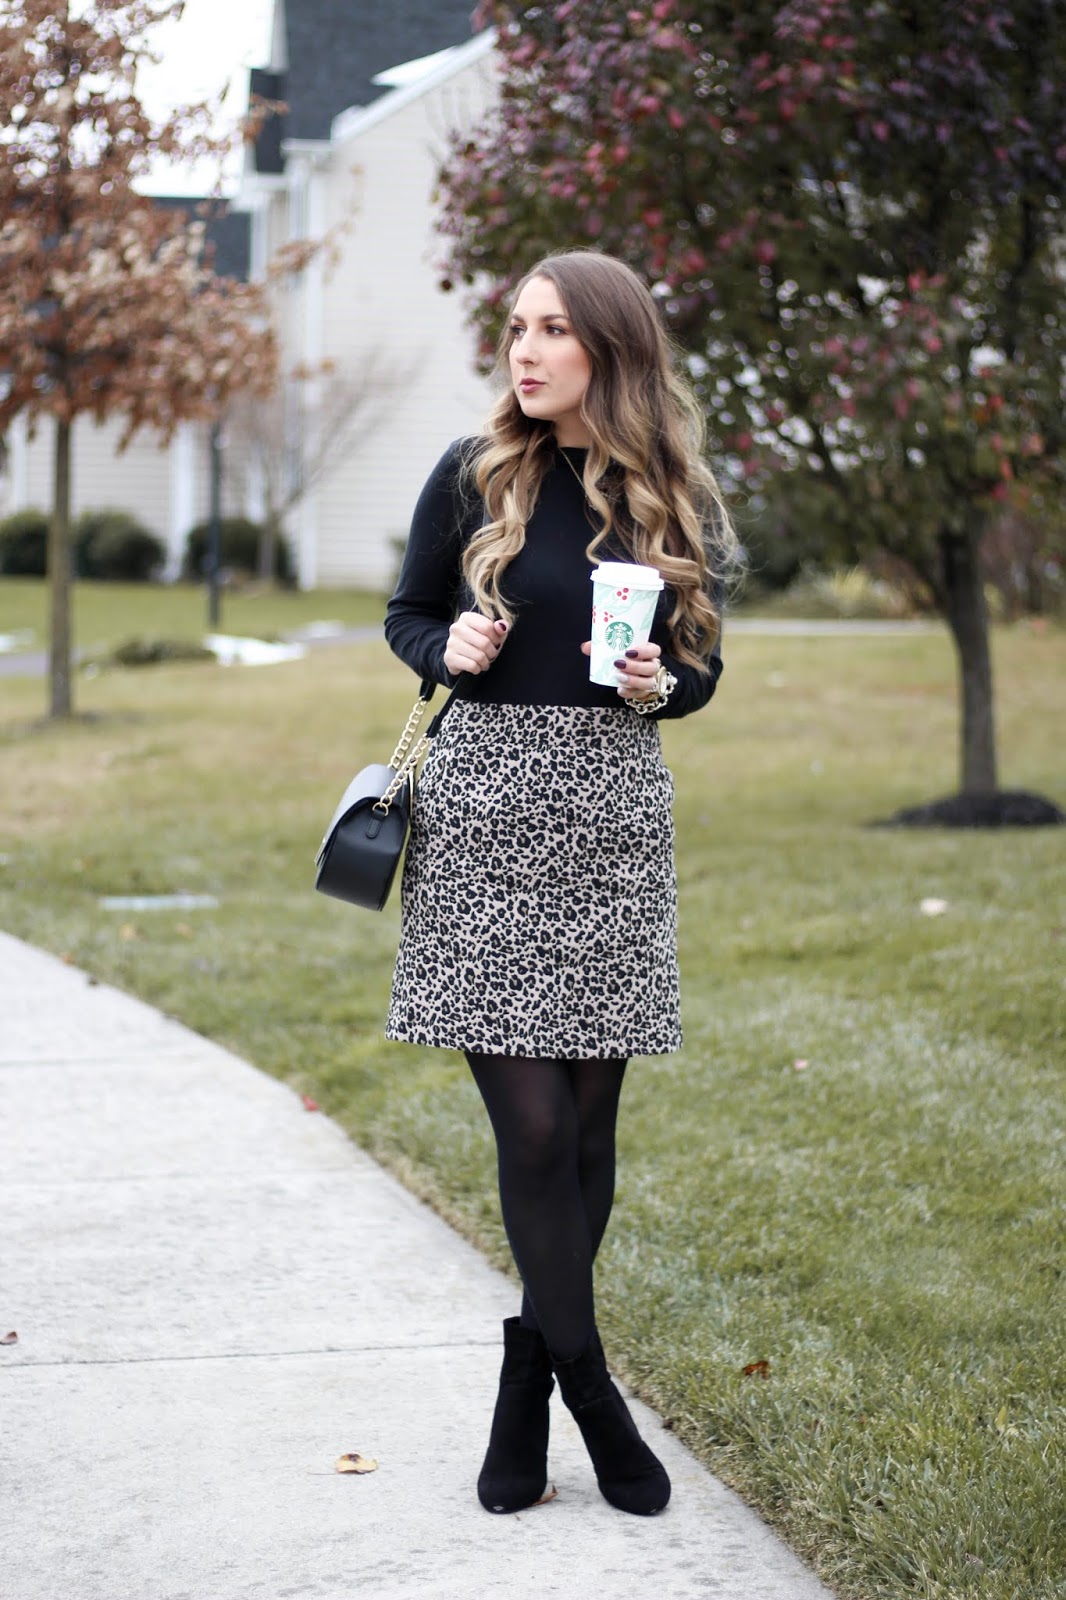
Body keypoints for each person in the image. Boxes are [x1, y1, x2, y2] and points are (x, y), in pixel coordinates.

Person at [383, 249, 739, 1517]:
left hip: (612, 828)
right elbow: (408, 614)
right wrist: (454, 641)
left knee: (588, 1137)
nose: (523, 352)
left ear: (609, 348)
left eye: (550, 332)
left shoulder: (665, 492)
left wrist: (659, 686)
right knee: (532, 1129)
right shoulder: (475, 473)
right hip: (484, 820)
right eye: (515, 329)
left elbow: (697, 670)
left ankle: (523, 1371)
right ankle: (591, 1391)